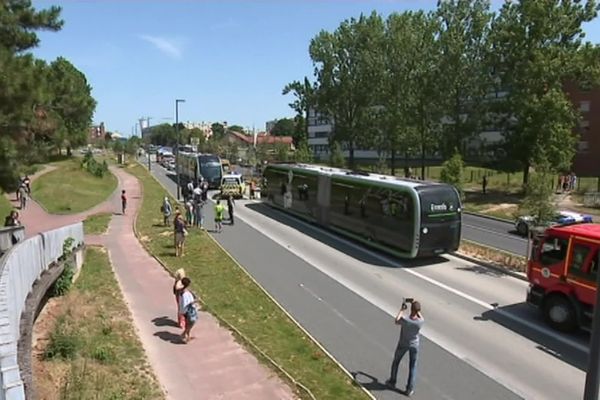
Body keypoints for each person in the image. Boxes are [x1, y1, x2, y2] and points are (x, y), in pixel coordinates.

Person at [385, 299, 424, 397]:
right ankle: (409, 389)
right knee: (412, 366)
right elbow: (419, 314)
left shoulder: (406, 320)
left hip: (403, 344)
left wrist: (402, 310)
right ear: (418, 311)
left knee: (396, 362)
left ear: (411, 309)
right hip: (414, 345)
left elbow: (396, 320)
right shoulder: (420, 321)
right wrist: (414, 305)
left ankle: (392, 381)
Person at [179, 277, 198, 343]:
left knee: (188, 323)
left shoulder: (183, 291)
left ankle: (188, 336)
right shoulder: (185, 293)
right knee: (191, 322)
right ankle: (184, 334)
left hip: (185, 310)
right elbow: (187, 303)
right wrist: (195, 301)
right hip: (188, 310)